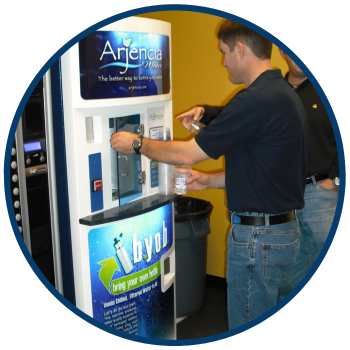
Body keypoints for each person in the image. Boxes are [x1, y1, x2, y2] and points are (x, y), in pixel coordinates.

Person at [110, 20, 308, 329]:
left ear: (241, 50)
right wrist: (210, 179)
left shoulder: (255, 101)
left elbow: (186, 153)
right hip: (281, 234)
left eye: (225, 52)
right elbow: (265, 170)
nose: (224, 61)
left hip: (259, 240)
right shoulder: (281, 93)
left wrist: (137, 144)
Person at [277, 50, 339, 300]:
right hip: (283, 197)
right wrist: (205, 111)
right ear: (281, 52)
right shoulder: (275, 91)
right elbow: (238, 113)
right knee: (287, 277)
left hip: (321, 195)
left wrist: (334, 180)